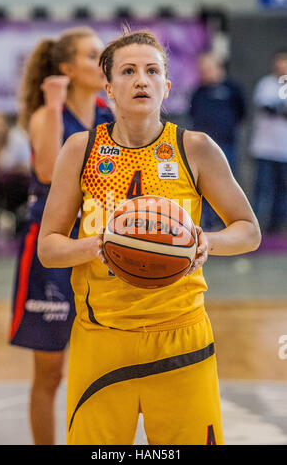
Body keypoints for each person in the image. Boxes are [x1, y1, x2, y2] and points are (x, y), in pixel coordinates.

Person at [38, 30, 261, 445]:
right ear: (108, 88)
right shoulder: (81, 149)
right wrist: (101, 245)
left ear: (167, 86)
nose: (141, 80)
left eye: (152, 71)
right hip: (101, 335)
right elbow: (48, 247)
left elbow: (248, 231)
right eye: (128, 71)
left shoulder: (195, 147)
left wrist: (204, 242)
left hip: (182, 333)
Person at [9, 27, 114, 445]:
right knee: (50, 372)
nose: (101, 62)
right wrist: (53, 106)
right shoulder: (44, 114)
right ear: (67, 68)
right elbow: (49, 172)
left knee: (103, 369)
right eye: (92, 56)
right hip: (49, 250)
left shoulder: (110, 114)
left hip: (99, 246)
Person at [189, 52, 246, 231]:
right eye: (202, 70)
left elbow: (242, 112)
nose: (205, 73)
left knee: (226, 186)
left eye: (208, 69)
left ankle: (227, 223)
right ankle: (206, 223)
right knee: (202, 187)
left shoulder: (232, 88)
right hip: (201, 150)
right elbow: (193, 113)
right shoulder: (198, 91)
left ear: (219, 68)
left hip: (226, 144)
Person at [250, 48, 287, 234]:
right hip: (265, 147)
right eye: (279, 61)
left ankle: (277, 226)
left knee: (283, 189)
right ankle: (254, 224)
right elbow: (266, 106)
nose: (282, 65)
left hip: (284, 148)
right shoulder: (266, 84)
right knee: (262, 187)